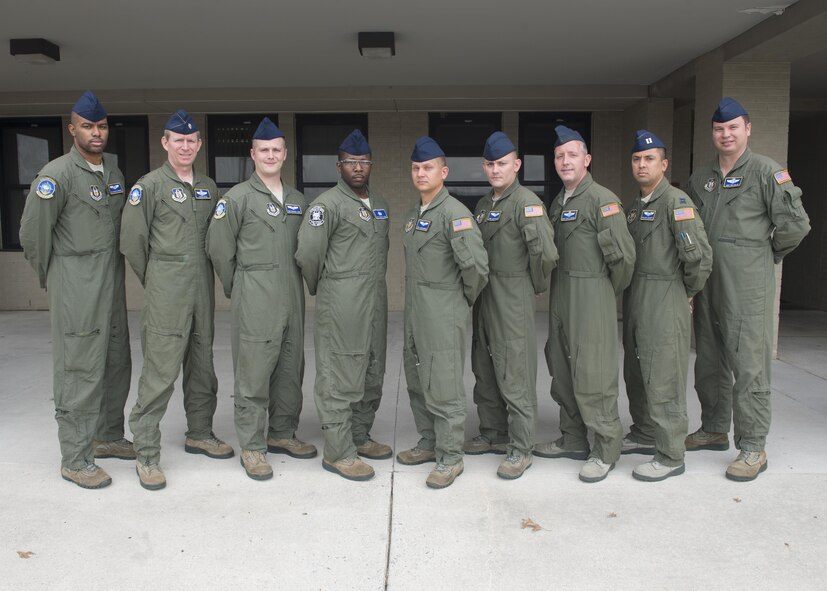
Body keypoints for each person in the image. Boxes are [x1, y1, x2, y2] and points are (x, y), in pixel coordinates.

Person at [686, 97, 810, 481]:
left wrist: (763, 253)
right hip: (708, 285)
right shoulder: (700, 177)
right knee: (709, 360)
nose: (726, 134)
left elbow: (796, 224)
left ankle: (754, 446)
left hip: (748, 289)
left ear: (748, 129)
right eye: (719, 129)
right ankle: (713, 428)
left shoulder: (766, 173)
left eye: (733, 127)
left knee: (749, 366)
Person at [19, 90, 133, 489]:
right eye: (87, 126)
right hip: (77, 282)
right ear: (73, 130)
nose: (96, 132)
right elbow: (33, 236)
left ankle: (107, 436)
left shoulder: (113, 173)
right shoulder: (57, 176)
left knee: (116, 359)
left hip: (111, 281)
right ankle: (75, 458)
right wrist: (58, 280)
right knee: (79, 369)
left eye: (101, 126)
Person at [121, 110, 233, 490]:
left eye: (191, 140)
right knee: (160, 369)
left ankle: (199, 432)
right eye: (177, 140)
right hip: (166, 286)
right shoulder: (149, 186)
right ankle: (147, 453)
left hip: (201, 285)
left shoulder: (208, 186)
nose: (185, 146)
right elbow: (133, 243)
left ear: (199, 144)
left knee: (202, 363)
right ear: (165, 143)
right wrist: (157, 279)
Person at [206, 117, 316, 481]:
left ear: (286, 154)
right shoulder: (236, 199)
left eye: (276, 150)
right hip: (254, 294)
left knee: (289, 366)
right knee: (253, 371)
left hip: (291, 295)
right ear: (253, 154)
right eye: (263, 150)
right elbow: (219, 250)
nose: (270, 155)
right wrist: (238, 287)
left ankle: (282, 432)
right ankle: (252, 446)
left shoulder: (299, 201)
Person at [537, 125, 636, 483]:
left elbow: (623, 260)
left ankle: (606, 448)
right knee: (562, 367)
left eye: (573, 155)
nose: (565, 161)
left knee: (594, 373)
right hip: (562, 293)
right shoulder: (559, 202)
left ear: (587, 159)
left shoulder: (601, 200)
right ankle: (574, 438)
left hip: (592, 295)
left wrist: (602, 295)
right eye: (560, 156)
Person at [295, 129, 390, 482]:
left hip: (375, 298)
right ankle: (338, 451)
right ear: (338, 167)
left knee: (371, 370)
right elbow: (307, 254)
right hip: (342, 299)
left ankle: (360, 436)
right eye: (351, 162)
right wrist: (330, 288)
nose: (358, 168)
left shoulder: (380, 204)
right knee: (340, 375)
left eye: (364, 162)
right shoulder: (326, 206)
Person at [397, 136, 489, 489]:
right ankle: (429, 442)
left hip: (442, 313)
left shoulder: (455, 214)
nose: (421, 174)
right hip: (416, 312)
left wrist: (455, 303)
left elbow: (477, 270)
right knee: (418, 378)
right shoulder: (414, 214)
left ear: (444, 171)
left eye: (428, 168)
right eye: (416, 168)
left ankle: (450, 456)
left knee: (444, 385)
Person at [465, 131, 558, 480]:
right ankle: (493, 431)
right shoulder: (485, 205)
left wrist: (531, 286)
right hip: (485, 295)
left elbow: (546, 255)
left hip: (512, 294)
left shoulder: (527, 204)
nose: (495, 170)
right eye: (489, 164)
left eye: (502, 163)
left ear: (516, 165)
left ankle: (521, 447)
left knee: (514, 370)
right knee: (485, 364)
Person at [621, 130, 713, 481]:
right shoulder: (635, 208)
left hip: (665, 298)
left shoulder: (677, 203)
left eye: (649, 159)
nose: (642, 165)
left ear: (664, 164)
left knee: (664, 378)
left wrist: (683, 293)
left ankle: (671, 453)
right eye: (636, 159)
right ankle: (645, 432)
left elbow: (700, 260)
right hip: (637, 298)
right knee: (637, 371)